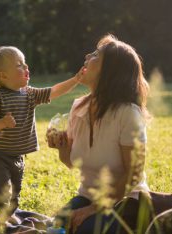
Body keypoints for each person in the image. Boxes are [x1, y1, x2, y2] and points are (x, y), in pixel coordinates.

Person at [47, 34, 151, 234]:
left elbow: (133, 173)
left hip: (127, 202)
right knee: (57, 225)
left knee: (84, 229)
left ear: (109, 71)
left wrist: (93, 210)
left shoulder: (128, 113)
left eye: (95, 55)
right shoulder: (78, 108)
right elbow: (72, 162)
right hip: (88, 196)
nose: (87, 56)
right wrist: (62, 148)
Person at [0, 46, 83, 216]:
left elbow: (54, 91)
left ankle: (6, 221)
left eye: (25, 63)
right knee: (2, 192)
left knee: (14, 195)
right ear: (3, 75)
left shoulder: (29, 94)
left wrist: (76, 79)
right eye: (19, 65)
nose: (26, 67)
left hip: (17, 156)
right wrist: (3, 122)